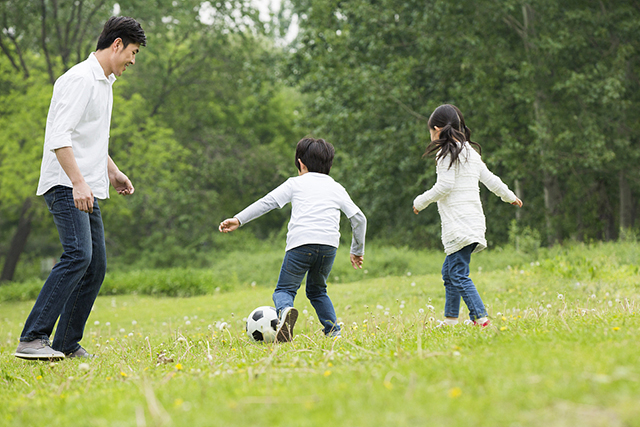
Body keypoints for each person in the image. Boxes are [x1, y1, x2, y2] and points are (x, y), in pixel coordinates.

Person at [14, 17, 147, 360]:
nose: (133, 60)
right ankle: (32, 338)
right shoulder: (79, 79)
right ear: (116, 44)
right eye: (132, 52)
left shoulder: (105, 83)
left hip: (86, 186)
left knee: (96, 264)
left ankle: (65, 344)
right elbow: (60, 136)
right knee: (79, 255)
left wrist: (114, 172)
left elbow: (91, 140)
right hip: (66, 184)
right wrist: (76, 182)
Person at [219, 137, 366, 341]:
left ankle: (286, 311)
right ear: (329, 164)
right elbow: (359, 218)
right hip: (328, 246)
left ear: (300, 163)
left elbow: (267, 202)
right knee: (317, 291)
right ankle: (333, 332)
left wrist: (238, 219)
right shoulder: (336, 187)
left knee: (284, 290)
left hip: (301, 243)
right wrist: (357, 250)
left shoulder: (295, 184)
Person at [412, 104, 523, 328]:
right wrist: (509, 195)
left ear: (436, 129)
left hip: (459, 223)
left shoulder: (446, 154)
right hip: (473, 221)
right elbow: (490, 179)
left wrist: (420, 201)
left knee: (458, 273)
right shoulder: (470, 153)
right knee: (449, 272)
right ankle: (451, 319)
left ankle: (480, 318)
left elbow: (444, 186)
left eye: (431, 132)